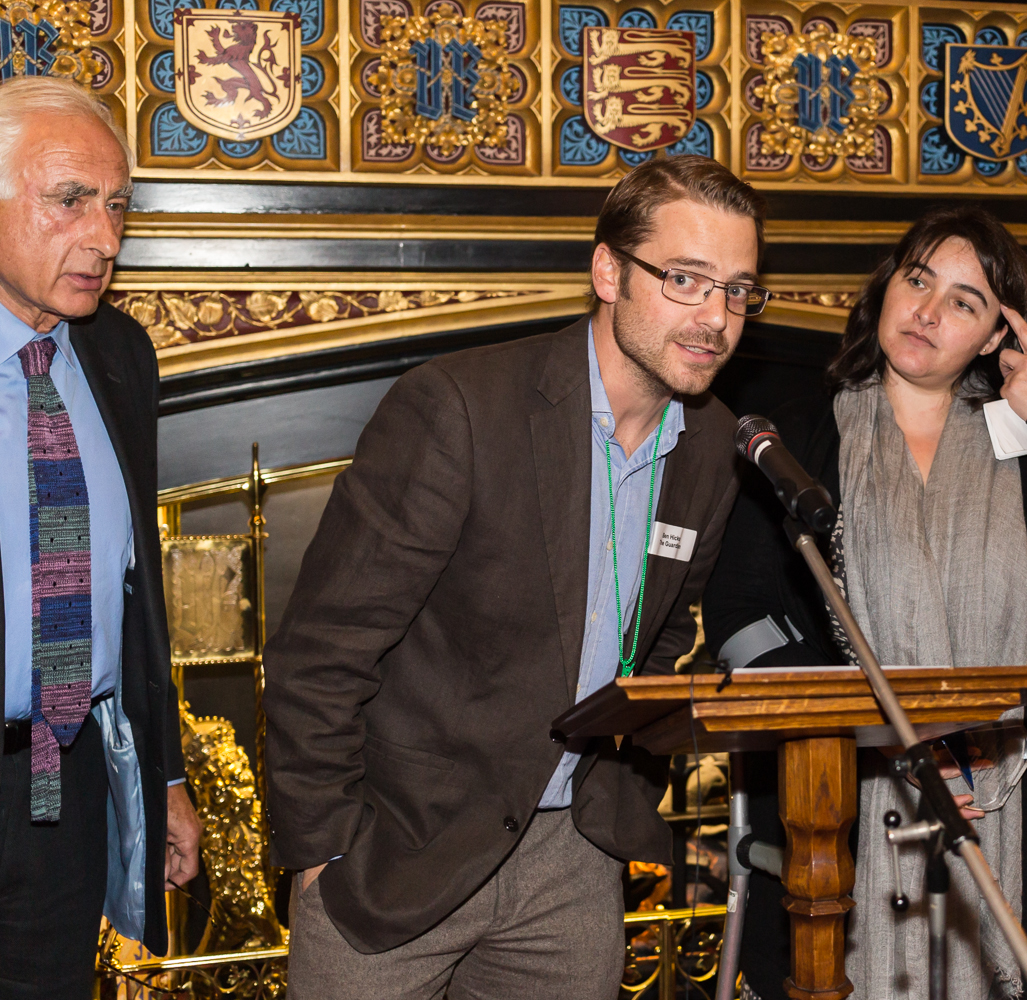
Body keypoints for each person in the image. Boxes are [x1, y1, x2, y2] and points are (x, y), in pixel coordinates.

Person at [262, 155, 765, 999]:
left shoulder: (714, 446)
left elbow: (663, 630)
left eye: (739, 290)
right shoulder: (460, 409)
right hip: (398, 853)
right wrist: (325, 851)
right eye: (686, 279)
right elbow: (323, 651)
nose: (715, 317)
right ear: (608, 270)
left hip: (572, 862)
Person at [702, 206, 1027, 1000]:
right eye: (917, 280)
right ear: (887, 285)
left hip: (1014, 812)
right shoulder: (801, 435)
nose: (925, 311)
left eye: (964, 302)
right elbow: (739, 608)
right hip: (837, 805)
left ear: (999, 337)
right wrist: (864, 723)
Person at [0, 77, 201, 997]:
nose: (106, 238)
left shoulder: (120, 354)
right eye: (70, 200)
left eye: (118, 205)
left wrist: (162, 778)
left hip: (65, 781)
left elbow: (139, 592)